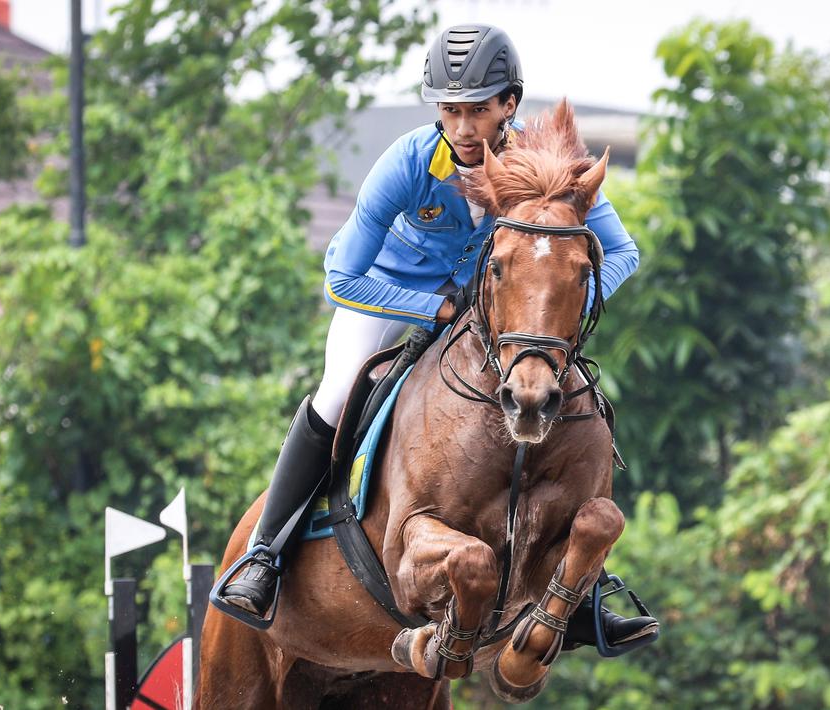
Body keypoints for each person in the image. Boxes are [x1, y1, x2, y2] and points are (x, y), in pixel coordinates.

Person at [216, 24, 658, 653]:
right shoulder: (409, 162)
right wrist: (433, 305)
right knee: (337, 392)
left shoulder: (545, 168)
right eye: (451, 110)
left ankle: (584, 593)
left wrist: (561, 306)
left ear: (510, 104)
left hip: (497, 316)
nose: (463, 126)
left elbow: (623, 252)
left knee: (570, 400)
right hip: (387, 299)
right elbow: (341, 275)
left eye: (478, 109)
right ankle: (265, 555)